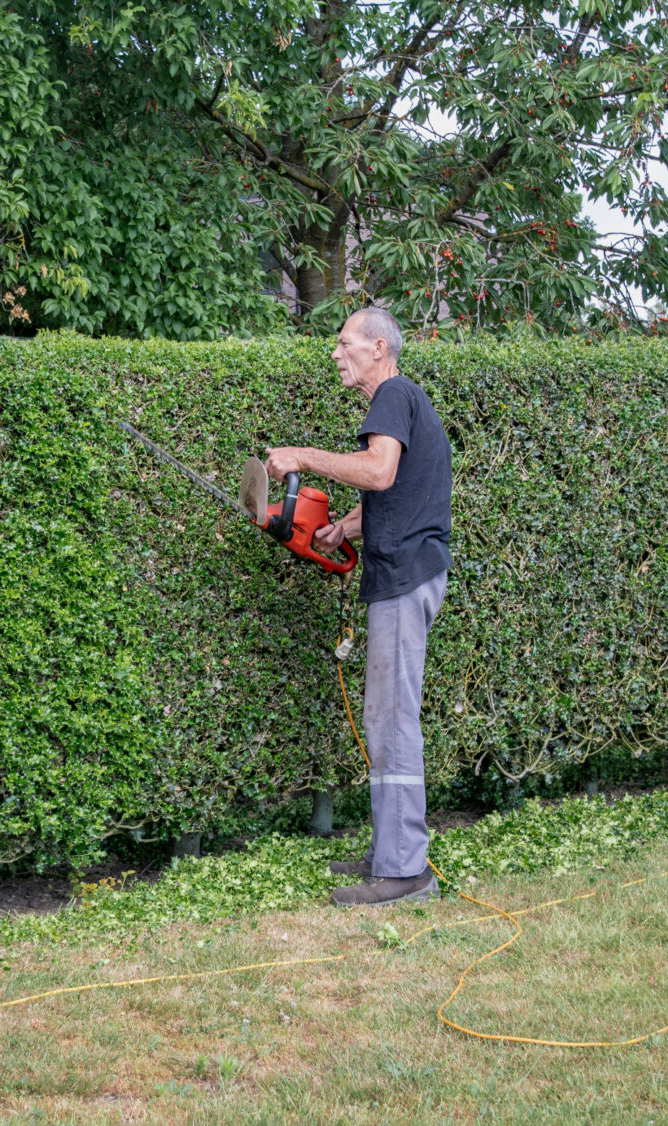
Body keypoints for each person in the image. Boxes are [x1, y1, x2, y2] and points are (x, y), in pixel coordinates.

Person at [264, 307, 452, 907]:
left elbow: (378, 470)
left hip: (403, 578)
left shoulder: (393, 393)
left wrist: (302, 456)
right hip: (400, 575)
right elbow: (396, 493)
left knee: (393, 720)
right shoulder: (404, 400)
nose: (337, 353)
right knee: (383, 718)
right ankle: (389, 852)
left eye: (344, 343)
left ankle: (405, 872)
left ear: (377, 346)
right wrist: (342, 528)